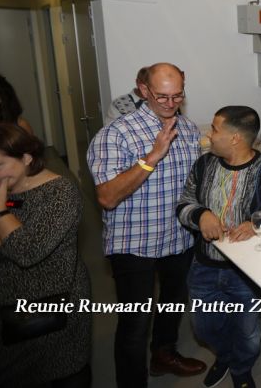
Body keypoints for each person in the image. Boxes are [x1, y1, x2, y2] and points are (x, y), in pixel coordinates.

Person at [87, 62, 206, 387]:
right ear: (144, 90)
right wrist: (152, 156)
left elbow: (192, 183)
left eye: (177, 96)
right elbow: (107, 197)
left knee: (172, 305)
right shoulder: (115, 134)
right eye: (162, 96)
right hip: (134, 242)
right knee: (135, 324)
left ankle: (163, 356)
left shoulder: (188, 128)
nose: (170, 104)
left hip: (179, 237)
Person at [176, 106, 261, 388]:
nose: (209, 135)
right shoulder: (203, 165)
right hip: (204, 266)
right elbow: (184, 203)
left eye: (215, 129)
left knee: (248, 334)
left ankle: (241, 368)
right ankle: (225, 356)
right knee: (204, 327)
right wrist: (200, 215)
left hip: (246, 272)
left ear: (235, 138)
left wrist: (257, 223)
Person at [0, 124, 92, 387]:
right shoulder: (7, 190)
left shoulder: (60, 193)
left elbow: (26, 251)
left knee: (62, 371)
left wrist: (0, 212)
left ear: (26, 158)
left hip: (53, 308)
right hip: (8, 304)